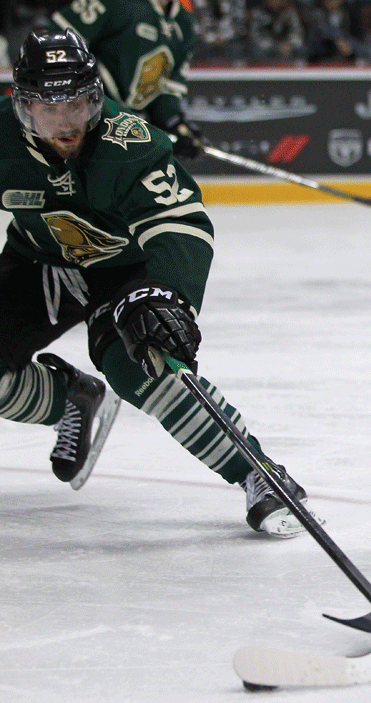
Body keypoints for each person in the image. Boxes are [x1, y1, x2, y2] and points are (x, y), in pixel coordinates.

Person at [0, 28, 318, 538]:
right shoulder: (1, 140)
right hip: (42, 264)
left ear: (95, 97)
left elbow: (181, 225)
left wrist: (167, 291)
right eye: (50, 107)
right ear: (23, 106)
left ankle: (259, 474)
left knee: (141, 366)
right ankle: (71, 402)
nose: (66, 122)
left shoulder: (129, 142)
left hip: (126, 270)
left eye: (78, 103)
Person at [49, 0, 204, 162]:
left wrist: (175, 124)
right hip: (82, 125)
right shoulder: (117, 3)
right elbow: (57, 41)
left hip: (125, 134)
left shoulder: (185, 24)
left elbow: (166, 92)